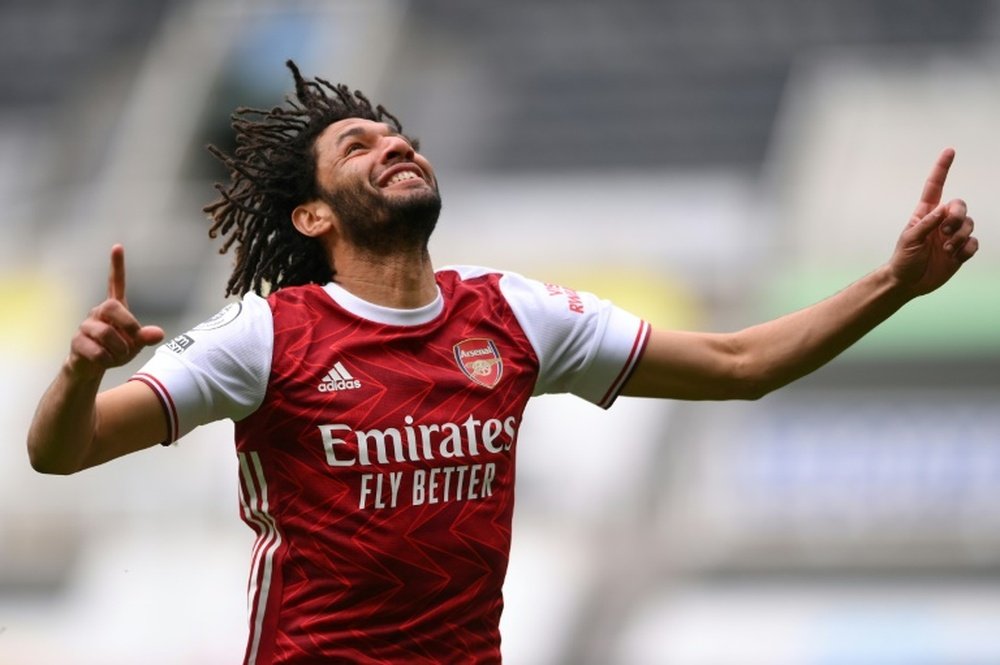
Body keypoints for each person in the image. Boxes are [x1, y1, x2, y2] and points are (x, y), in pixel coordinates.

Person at [27, 60, 978, 664]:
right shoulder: (268, 334)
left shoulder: (513, 313)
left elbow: (738, 362)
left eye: (399, 134)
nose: (395, 142)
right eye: (357, 145)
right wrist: (79, 371)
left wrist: (893, 285)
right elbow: (60, 453)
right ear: (312, 217)